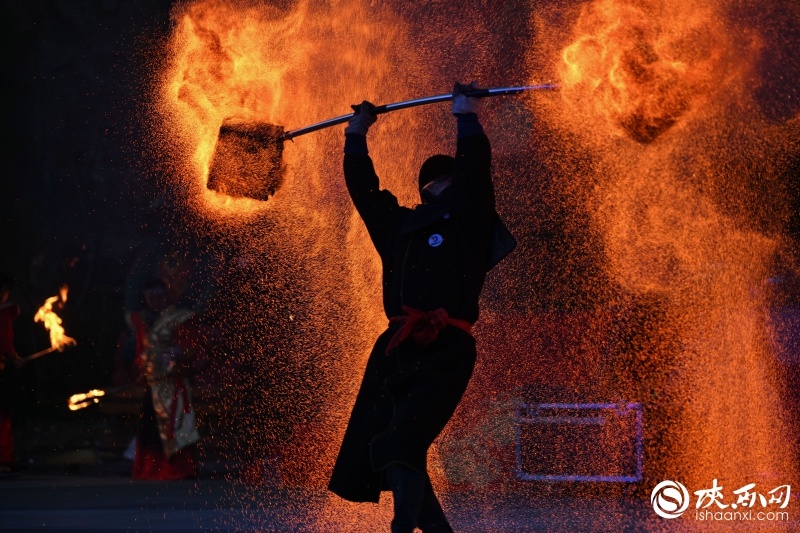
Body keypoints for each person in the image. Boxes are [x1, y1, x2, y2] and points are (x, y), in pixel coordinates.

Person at [328, 82, 515, 532]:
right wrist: (356, 134)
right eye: (439, 183)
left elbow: (476, 177)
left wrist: (466, 116)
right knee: (388, 444)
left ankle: (401, 528)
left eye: (450, 181)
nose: (444, 188)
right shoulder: (400, 226)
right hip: (395, 347)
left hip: (446, 350)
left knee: (403, 440)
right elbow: (365, 193)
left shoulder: (471, 224)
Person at [129, 277, 206, 480]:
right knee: (151, 429)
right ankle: (151, 470)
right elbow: (142, 350)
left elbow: (192, 348)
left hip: (172, 383)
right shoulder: (145, 321)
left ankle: (178, 469)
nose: (155, 301)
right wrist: (141, 370)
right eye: (151, 297)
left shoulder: (180, 318)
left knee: (175, 427)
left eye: (159, 296)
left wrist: (179, 353)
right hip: (152, 383)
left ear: (167, 296)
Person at [0, 273, 25, 474]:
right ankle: (3, 459)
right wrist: (13, 357)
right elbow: (4, 339)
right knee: (2, 415)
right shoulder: (3, 313)